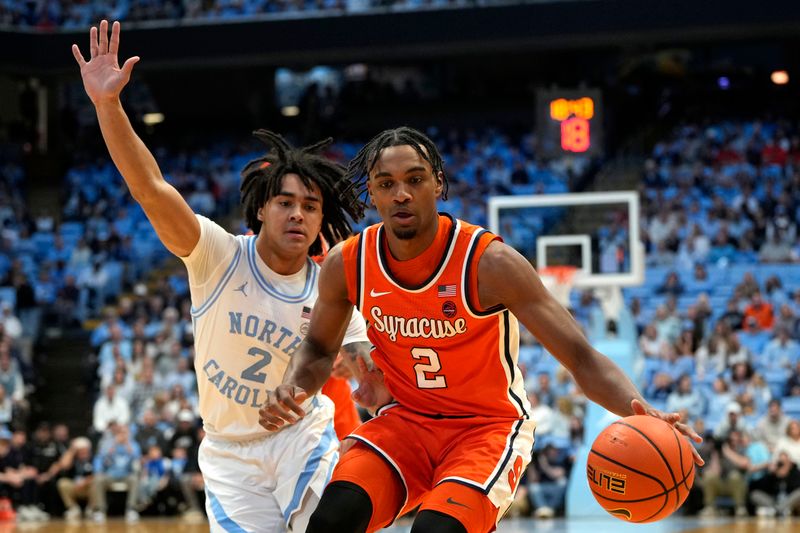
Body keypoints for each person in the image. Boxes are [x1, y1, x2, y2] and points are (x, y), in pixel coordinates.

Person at [259, 126, 703, 532]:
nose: (401, 194)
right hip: (406, 423)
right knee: (331, 520)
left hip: (486, 428)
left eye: (414, 180)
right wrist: (294, 385)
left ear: (437, 183)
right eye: (386, 184)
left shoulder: (490, 264)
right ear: (371, 193)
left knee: (435, 530)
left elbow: (581, 357)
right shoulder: (348, 263)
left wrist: (638, 408)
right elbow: (318, 347)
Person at [72, 20, 371, 532]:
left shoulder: (331, 283)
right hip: (229, 452)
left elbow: (367, 367)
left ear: (323, 221)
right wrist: (108, 107)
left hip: (301, 436)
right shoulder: (218, 255)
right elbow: (151, 189)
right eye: (285, 202)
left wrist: (362, 375)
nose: (298, 214)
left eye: (310, 206)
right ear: (260, 210)